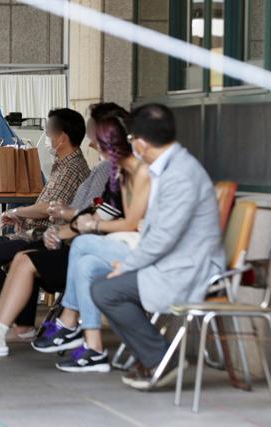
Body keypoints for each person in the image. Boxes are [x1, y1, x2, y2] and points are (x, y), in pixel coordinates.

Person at [0, 109, 151, 358]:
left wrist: (70, 227)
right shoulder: (115, 175)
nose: (92, 144)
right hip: (88, 243)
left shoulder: (130, 173)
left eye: (98, 140)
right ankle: (83, 341)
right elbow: (98, 216)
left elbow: (121, 223)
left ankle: (63, 327)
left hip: (114, 250)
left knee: (25, 258)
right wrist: (65, 229)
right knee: (45, 258)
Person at [91, 104, 225, 389]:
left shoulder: (179, 175)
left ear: (139, 142)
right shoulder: (171, 167)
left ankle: (161, 360)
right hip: (174, 261)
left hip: (189, 268)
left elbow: (164, 237)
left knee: (105, 290)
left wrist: (127, 265)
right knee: (105, 285)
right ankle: (155, 356)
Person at [0, 108, 90, 332]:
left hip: (42, 238)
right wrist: (21, 218)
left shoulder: (72, 169)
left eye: (48, 132)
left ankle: (15, 309)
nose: (46, 138)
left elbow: (50, 208)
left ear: (62, 137)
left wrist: (19, 213)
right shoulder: (61, 165)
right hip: (29, 232)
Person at [46, 116, 150, 372]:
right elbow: (107, 211)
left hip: (145, 249)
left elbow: (130, 223)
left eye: (99, 147)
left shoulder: (140, 172)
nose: (96, 151)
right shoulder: (121, 173)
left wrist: (92, 225)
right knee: (87, 265)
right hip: (129, 242)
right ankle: (94, 349)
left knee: (83, 245)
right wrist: (85, 222)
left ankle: (68, 320)